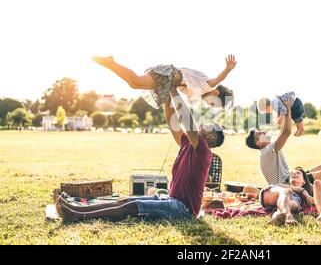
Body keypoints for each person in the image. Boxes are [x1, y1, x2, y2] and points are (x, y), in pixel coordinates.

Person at [55, 85, 225, 222]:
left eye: (211, 125)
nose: (206, 124)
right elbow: (172, 119)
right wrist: (166, 95)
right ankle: (77, 209)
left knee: (130, 207)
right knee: (125, 201)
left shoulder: (203, 150)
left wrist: (174, 89)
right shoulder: (189, 143)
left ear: (212, 136)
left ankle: (76, 214)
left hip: (183, 209)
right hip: (170, 200)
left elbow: (186, 119)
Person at [91, 54, 236, 108]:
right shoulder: (208, 85)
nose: (209, 104)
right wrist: (228, 69)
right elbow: (219, 79)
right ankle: (111, 62)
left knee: (134, 84)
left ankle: (111, 63)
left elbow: (185, 93)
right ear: (216, 92)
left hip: (170, 79)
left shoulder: (199, 94)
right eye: (213, 103)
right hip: (169, 75)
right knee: (135, 82)